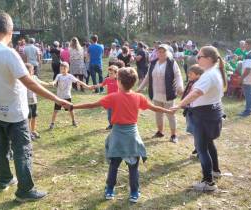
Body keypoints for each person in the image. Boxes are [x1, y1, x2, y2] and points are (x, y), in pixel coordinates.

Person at [0, 12, 72, 202]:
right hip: (14, 113)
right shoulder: (8, 53)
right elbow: (30, 83)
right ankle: (25, 190)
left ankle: (4, 179)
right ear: (10, 30)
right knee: (23, 150)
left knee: (1, 147)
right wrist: (58, 99)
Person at [72, 67, 175, 203]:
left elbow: (92, 105)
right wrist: (168, 110)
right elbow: (154, 108)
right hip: (132, 136)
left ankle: (109, 190)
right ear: (134, 82)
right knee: (133, 167)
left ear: (119, 81)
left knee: (114, 164)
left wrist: (73, 106)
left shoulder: (113, 97)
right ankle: (134, 193)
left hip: (117, 135)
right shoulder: (139, 97)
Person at [171, 46, 227, 192]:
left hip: (203, 115)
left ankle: (208, 183)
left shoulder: (209, 75)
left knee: (201, 148)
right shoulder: (214, 72)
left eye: (199, 56)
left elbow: (196, 93)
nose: (197, 59)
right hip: (210, 113)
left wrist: (179, 105)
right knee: (209, 143)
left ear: (208, 59)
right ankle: (215, 171)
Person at [137, 44, 184, 143]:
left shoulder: (172, 63)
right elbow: (147, 77)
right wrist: (140, 88)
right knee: (158, 114)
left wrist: (180, 87)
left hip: (168, 93)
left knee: (170, 114)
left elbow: (178, 75)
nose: (161, 53)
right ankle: (160, 131)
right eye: (159, 51)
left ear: (167, 53)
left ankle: (173, 135)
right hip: (156, 94)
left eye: (163, 51)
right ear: (157, 52)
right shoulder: (153, 63)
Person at [49, 62, 91, 129]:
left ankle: (73, 121)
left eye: (64, 69)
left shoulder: (70, 76)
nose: (62, 70)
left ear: (68, 69)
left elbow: (78, 82)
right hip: (59, 97)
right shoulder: (58, 76)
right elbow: (55, 81)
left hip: (67, 97)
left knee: (71, 110)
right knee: (55, 111)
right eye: (61, 69)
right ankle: (52, 123)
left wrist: (87, 86)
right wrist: (53, 83)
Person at [181, 64, 204, 156]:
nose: (188, 76)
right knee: (194, 131)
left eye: (191, 74)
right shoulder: (191, 82)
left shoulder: (199, 84)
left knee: (198, 131)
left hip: (196, 111)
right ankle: (197, 147)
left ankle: (201, 150)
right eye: (188, 74)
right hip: (189, 109)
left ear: (198, 75)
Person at [25, 63, 50, 138]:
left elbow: (41, 83)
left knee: (34, 116)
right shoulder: (23, 79)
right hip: (26, 102)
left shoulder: (34, 77)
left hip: (34, 101)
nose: (31, 72)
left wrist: (49, 83)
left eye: (32, 70)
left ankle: (33, 130)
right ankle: (28, 133)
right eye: (29, 70)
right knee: (28, 118)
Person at [91, 65, 119, 130]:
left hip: (117, 100)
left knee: (116, 113)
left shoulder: (118, 81)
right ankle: (111, 125)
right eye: (109, 73)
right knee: (109, 114)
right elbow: (101, 84)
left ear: (116, 74)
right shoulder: (107, 79)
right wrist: (95, 86)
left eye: (112, 73)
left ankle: (117, 125)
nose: (110, 75)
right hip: (109, 100)